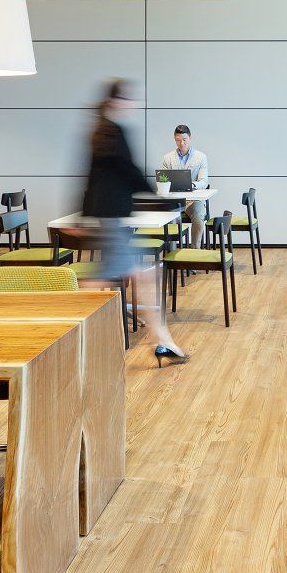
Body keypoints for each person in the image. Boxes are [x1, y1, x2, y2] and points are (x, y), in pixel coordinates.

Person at [84, 80, 188, 363]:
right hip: (112, 214)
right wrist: (155, 193)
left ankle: (161, 339)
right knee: (120, 277)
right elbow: (127, 169)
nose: (132, 105)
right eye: (128, 100)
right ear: (116, 101)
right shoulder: (112, 131)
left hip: (108, 214)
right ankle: (69, 325)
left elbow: (92, 175)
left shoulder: (99, 130)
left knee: (137, 275)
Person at [159, 124, 210, 247]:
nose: (181, 143)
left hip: (193, 200)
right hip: (174, 200)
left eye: (184, 140)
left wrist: (192, 184)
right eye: (178, 140)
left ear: (190, 138)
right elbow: (163, 181)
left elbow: (204, 181)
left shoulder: (201, 157)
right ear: (175, 140)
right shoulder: (167, 158)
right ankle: (172, 253)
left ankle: (194, 252)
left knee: (198, 217)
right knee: (167, 218)